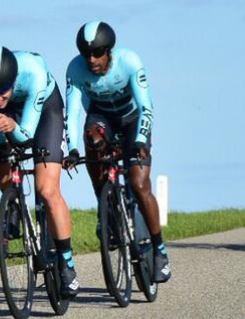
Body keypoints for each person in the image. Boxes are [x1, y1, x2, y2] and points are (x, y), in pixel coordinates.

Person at [64, 20, 170, 284]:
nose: (91, 59)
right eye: (86, 54)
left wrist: (142, 140)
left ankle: (159, 248)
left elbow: (147, 106)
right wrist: (73, 148)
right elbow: (73, 111)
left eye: (98, 53)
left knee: (138, 183)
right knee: (93, 140)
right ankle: (106, 210)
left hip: (133, 120)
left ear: (109, 51)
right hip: (101, 119)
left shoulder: (130, 61)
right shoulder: (76, 70)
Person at [0, 45, 79, 298]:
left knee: (47, 189)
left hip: (44, 113)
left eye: (2, 91)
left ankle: (67, 262)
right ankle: (13, 203)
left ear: (13, 80)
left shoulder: (33, 73)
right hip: (9, 115)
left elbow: (27, 136)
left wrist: (12, 127)